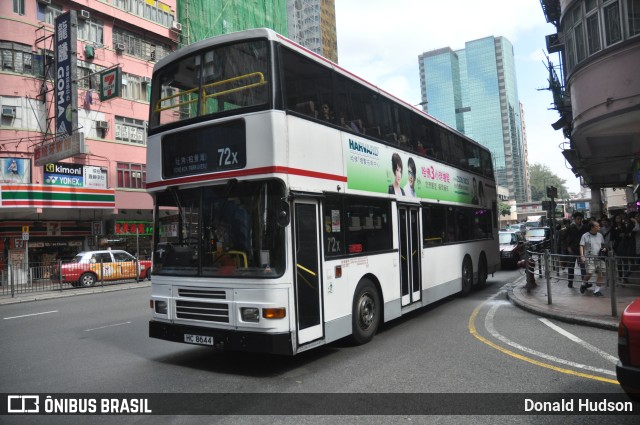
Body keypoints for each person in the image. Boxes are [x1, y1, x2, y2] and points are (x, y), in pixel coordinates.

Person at [579, 221, 607, 296]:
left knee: (602, 273)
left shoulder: (600, 235)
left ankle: (597, 291)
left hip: (599, 257)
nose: (599, 227)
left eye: (599, 226)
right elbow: (581, 245)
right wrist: (582, 256)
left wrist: (604, 249)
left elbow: (602, 244)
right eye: (597, 226)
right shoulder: (585, 235)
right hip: (589, 257)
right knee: (590, 272)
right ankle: (583, 283)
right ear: (592, 227)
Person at [563, 211, 589, 288]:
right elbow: (564, 238)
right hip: (573, 249)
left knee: (583, 267)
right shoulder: (570, 228)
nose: (579, 220)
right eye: (578, 219)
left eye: (581, 219)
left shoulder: (585, 228)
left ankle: (584, 283)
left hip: (582, 250)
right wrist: (568, 247)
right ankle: (570, 282)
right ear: (574, 219)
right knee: (571, 266)